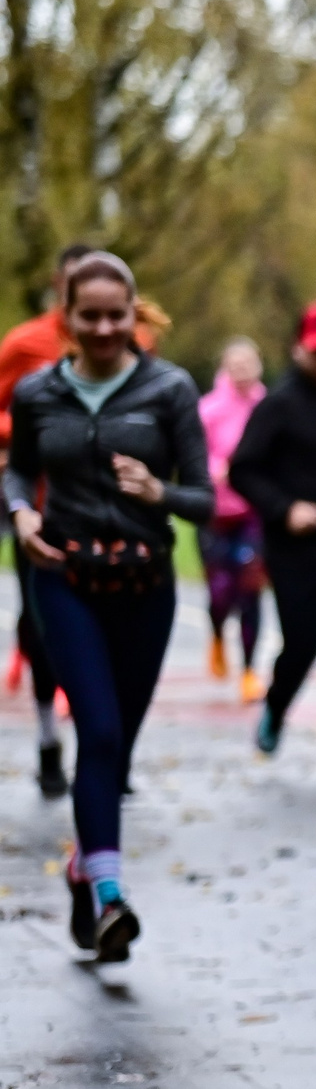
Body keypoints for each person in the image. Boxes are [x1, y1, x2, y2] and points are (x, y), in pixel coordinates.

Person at [3, 252, 213, 961]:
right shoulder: (38, 392)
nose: (101, 328)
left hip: (144, 587)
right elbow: (20, 469)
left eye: (115, 315)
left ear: (134, 315)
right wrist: (20, 516)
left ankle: (81, 865)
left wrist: (160, 494)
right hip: (65, 579)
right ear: (65, 315)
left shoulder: (170, 389)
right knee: (95, 731)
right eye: (87, 315)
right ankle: (110, 897)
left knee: (115, 745)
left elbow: (207, 501)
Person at [233, 300, 316, 786]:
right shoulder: (280, 404)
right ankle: (275, 708)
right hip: (293, 551)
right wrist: (285, 508)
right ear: (299, 349)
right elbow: (242, 469)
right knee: (304, 645)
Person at [0, 244, 103, 799]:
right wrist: (30, 432)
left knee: (111, 629)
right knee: (45, 627)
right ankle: (47, 740)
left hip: (113, 514)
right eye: (76, 289)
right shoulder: (24, 345)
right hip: (40, 509)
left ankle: (105, 746)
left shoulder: (130, 343)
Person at [196, 337, 268, 698]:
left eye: (248, 365)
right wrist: (217, 470)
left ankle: (251, 670)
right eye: (235, 365)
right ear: (224, 368)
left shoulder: (267, 407)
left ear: (258, 367)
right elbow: (193, 454)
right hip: (215, 512)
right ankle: (217, 632)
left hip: (252, 513)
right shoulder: (208, 409)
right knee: (221, 593)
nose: (242, 372)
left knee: (250, 589)